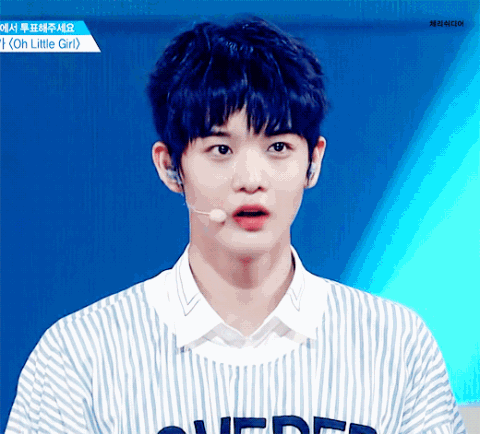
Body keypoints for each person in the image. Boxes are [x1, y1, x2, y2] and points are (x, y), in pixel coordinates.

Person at [6, 18, 466, 434]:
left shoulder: (396, 344)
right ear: (170, 167)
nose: (251, 180)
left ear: (314, 161)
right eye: (221, 150)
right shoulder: (79, 356)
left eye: (278, 147)